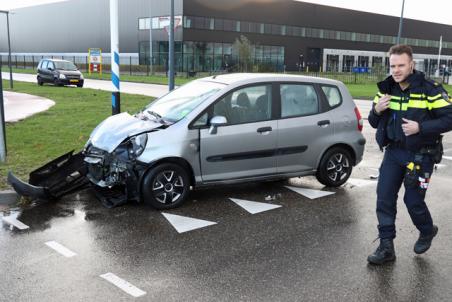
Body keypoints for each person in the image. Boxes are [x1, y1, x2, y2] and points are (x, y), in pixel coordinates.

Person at [367, 44, 452, 265]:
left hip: (420, 155)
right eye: (392, 65)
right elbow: (374, 121)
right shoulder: (386, 88)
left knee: (413, 201)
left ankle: (426, 230)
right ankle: (386, 248)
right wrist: (377, 110)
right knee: (384, 198)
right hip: (393, 153)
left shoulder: (430, 89)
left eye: (401, 65)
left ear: (412, 64)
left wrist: (420, 128)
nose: (396, 70)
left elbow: (450, 118)